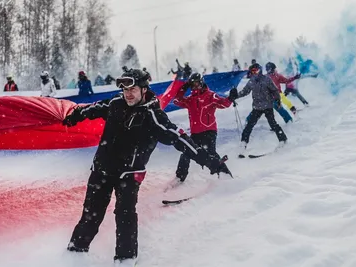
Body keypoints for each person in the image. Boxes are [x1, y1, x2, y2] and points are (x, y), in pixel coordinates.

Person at [62, 68, 232, 266]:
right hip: (102, 169)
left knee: (125, 215)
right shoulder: (115, 104)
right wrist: (74, 116)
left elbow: (181, 139)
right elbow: (91, 109)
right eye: (125, 90)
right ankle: (75, 254)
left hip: (130, 173)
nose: (128, 94)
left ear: (144, 90)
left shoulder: (154, 116)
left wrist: (211, 161)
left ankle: (125, 259)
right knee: (91, 213)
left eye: (133, 89)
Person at [172, 73, 233, 185]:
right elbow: (176, 100)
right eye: (192, 85)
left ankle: (225, 174)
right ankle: (179, 177)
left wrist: (230, 98)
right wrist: (183, 88)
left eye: (197, 84)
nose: (195, 87)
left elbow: (223, 104)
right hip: (196, 133)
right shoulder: (190, 99)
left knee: (211, 153)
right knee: (187, 152)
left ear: (201, 82)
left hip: (209, 130)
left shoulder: (210, 96)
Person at [229, 70, 288, 158]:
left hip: (268, 106)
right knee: (249, 125)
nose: (254, 72)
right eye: (252, 71)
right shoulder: (251, 81)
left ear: (259, 70)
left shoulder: (266, 79)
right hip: (257, 107)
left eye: (256, 70)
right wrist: (235, 96)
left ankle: (282, 139)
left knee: (273, 123)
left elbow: (274, 90)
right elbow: (245, 91)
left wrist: (277, 100)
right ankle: (243, 144)